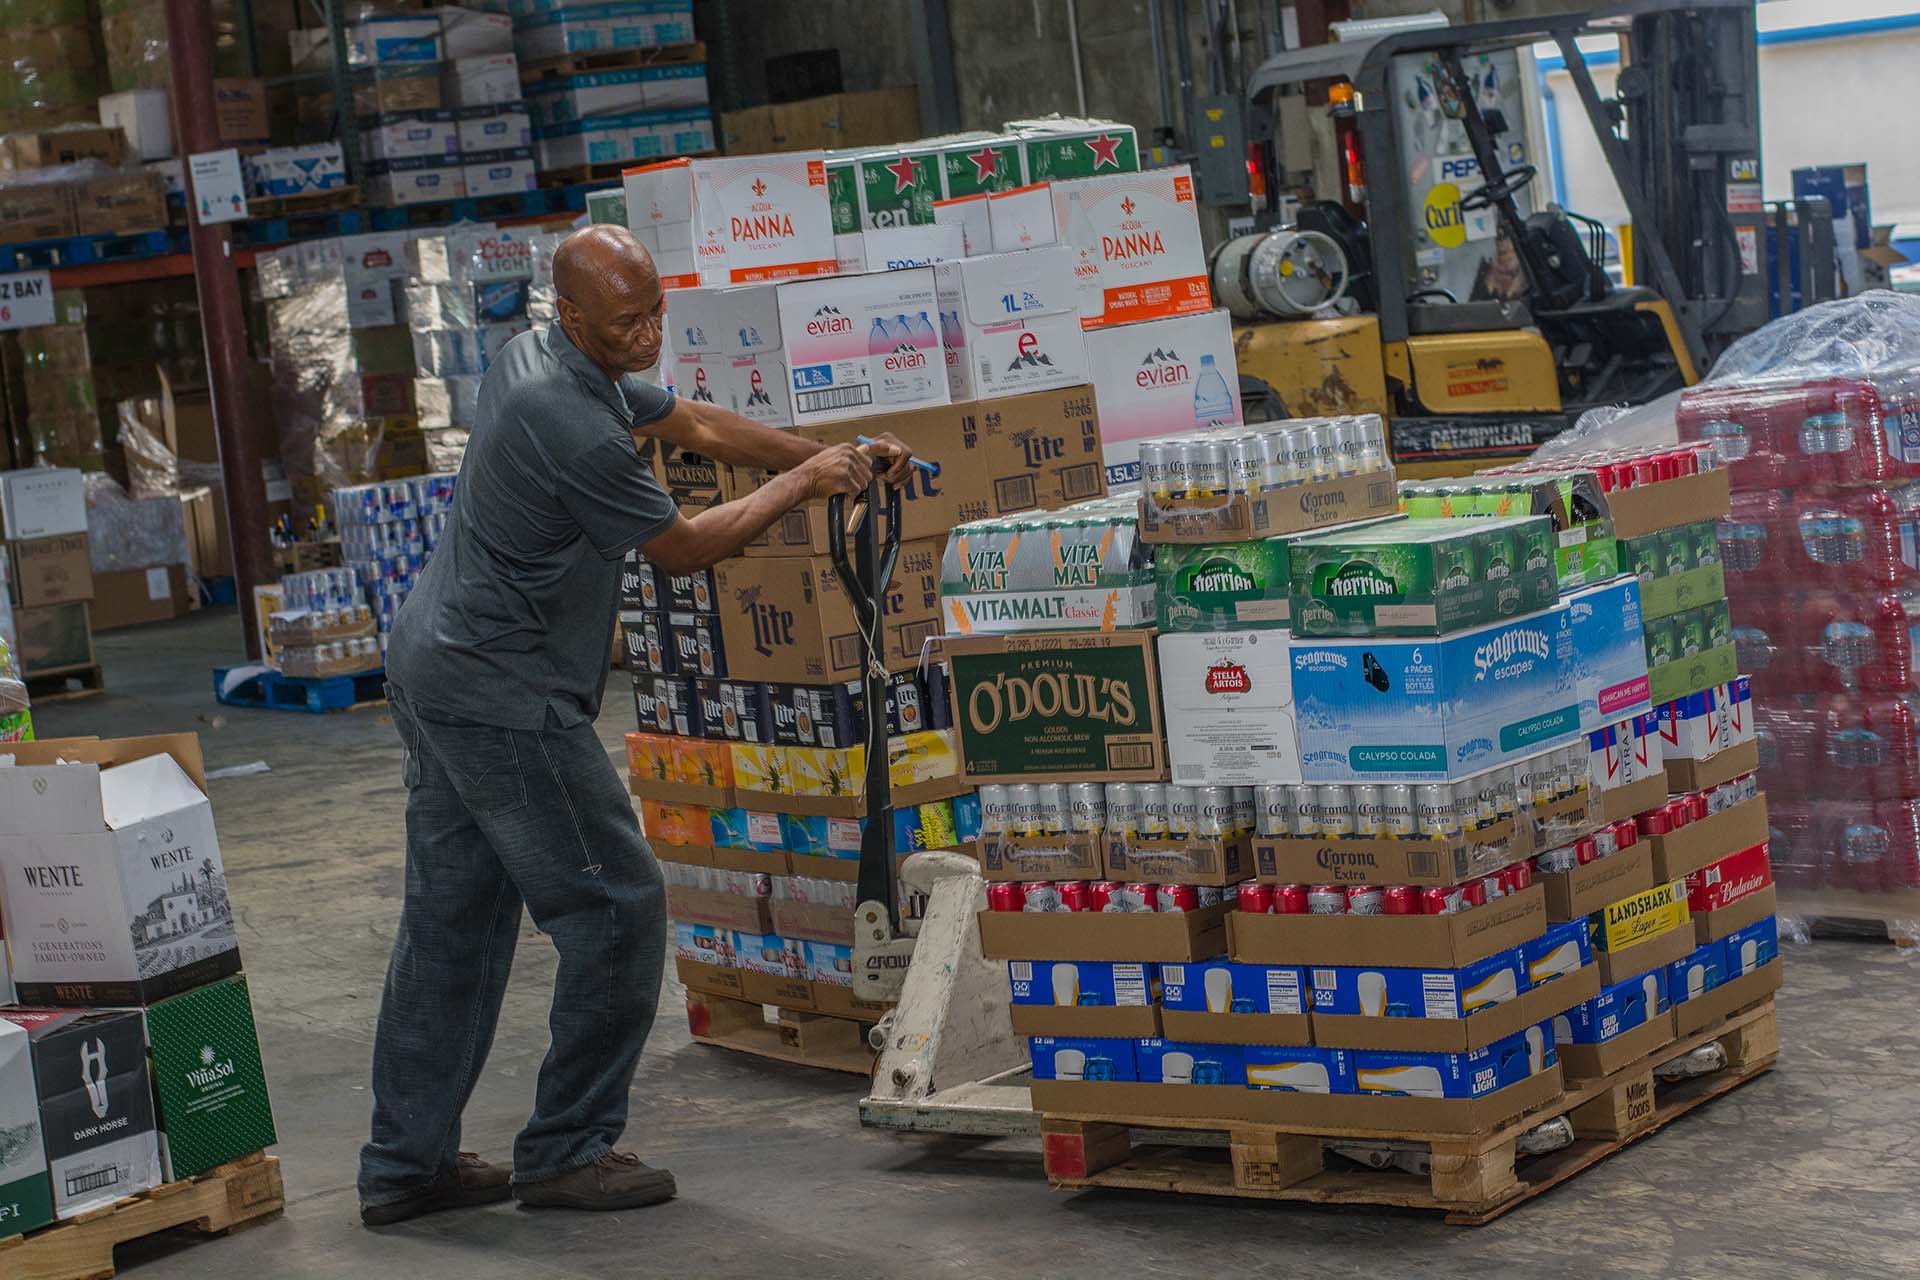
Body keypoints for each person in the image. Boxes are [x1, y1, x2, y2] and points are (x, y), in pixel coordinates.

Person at [358, 225, 913, 1225]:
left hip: (436, 662)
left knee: (452, 921)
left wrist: (832, 454)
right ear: (572, 315)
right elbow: (683, 548)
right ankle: (569, 1148)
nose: (651, 330)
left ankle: (404, 1165)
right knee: (614, 905)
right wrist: (801, 486)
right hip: (498, 690)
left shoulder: (558, 354)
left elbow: (693, 422)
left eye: (658, 308)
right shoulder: (560, 409)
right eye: (629, 318)